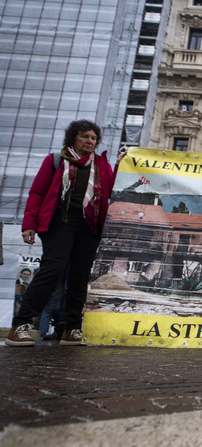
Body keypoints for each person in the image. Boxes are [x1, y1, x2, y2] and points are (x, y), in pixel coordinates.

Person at [6, 120, 125, 347]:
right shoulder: (56, 160)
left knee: (80, 276)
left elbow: (112, 188)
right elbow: (37, 193)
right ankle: (20, 325)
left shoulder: (101, 164)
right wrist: (28, 224)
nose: (90, 141)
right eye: (85, 137)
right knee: (54, 268)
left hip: (89, 226)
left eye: (93, 138)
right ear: (73, 138)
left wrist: (120, 165)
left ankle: (71, 329)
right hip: (59, 222)